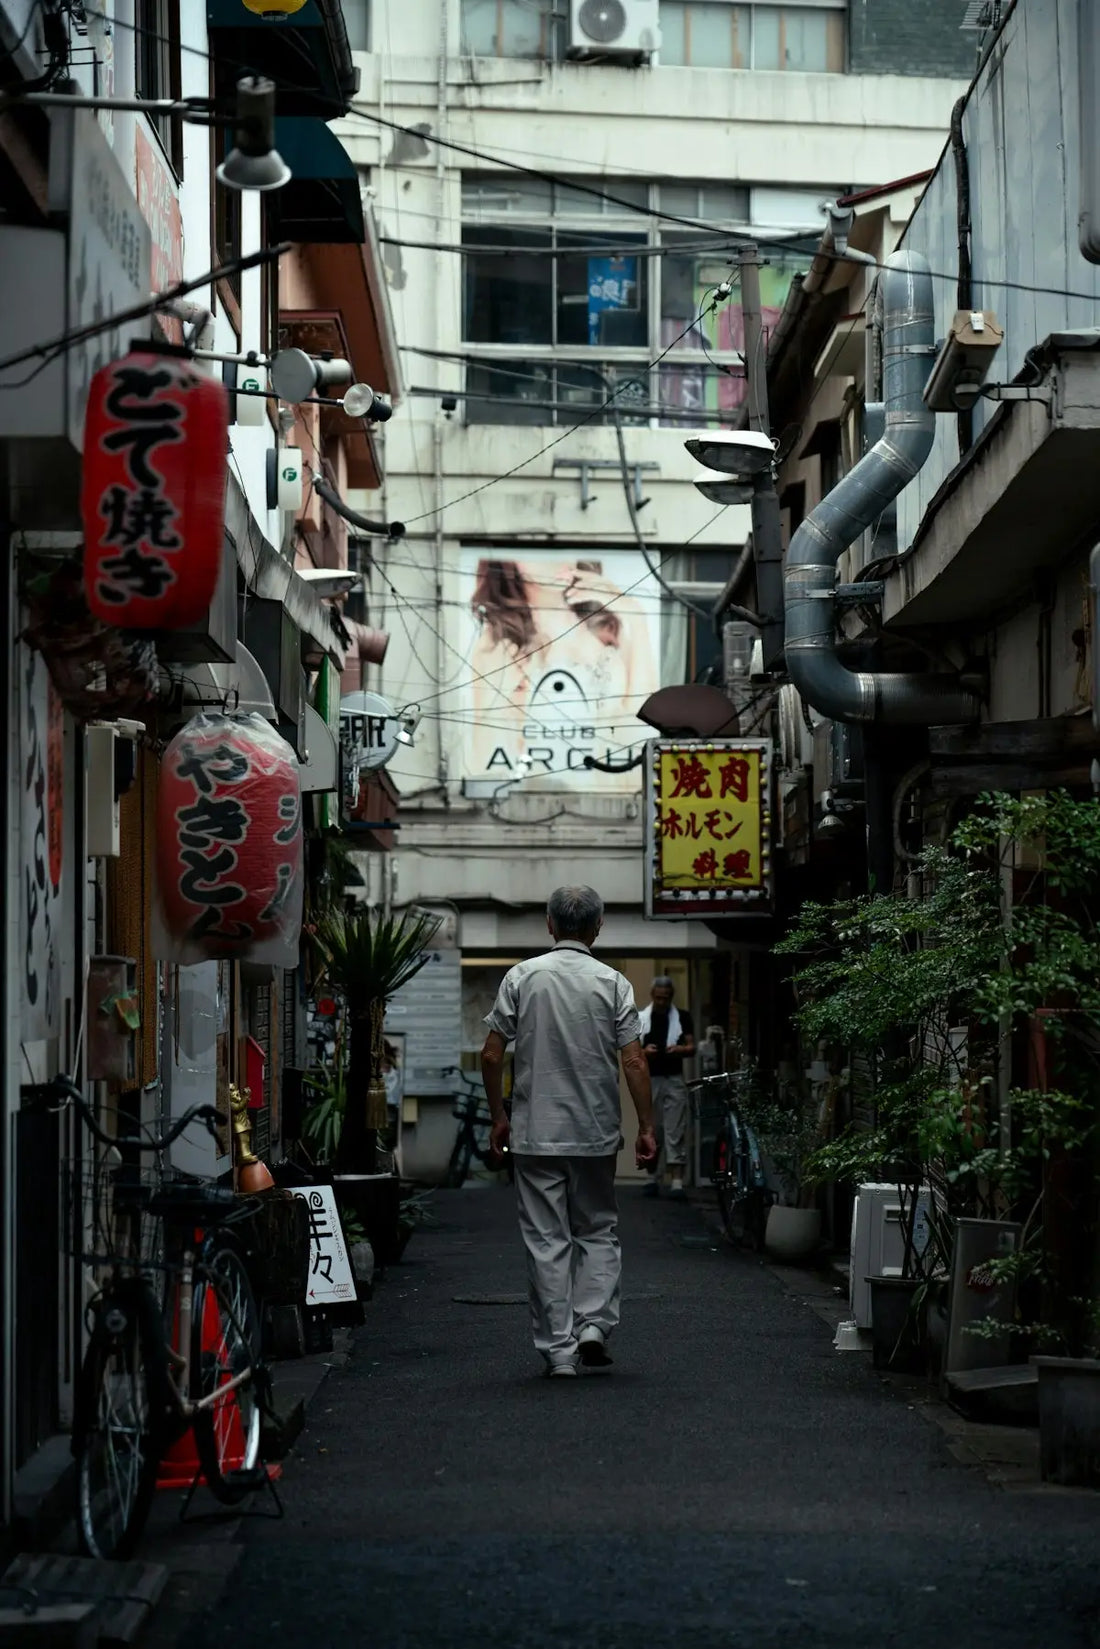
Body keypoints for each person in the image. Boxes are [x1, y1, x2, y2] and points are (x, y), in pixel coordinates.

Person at [481, 885, 658, 1377]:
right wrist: (646, 1126)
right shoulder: (614, 982)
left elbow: (493, 1053)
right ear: (597, 927)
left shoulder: (522, 976)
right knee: (597, 1229)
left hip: (535, 1131)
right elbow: (635, 1061)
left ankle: (559, 1353)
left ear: (549, 925)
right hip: (595, 1130)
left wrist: (499, 1114)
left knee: (547, 1240)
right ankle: (594, 1325)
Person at [639, 977, 695, 1199]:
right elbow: (631, 1050)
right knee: (652, 1129)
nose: (662, 1001)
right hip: (650, 1078)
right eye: (659, 997)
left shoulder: (682, 1017)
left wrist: (680, 1049)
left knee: (676, 1129)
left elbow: (691, 1047)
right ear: (653, 996)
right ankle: (651, 1178)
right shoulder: (642, 1018)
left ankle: (677, 1182)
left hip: (673, 1077)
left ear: (671, 997)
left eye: (666, 997)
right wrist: (645, 1052)